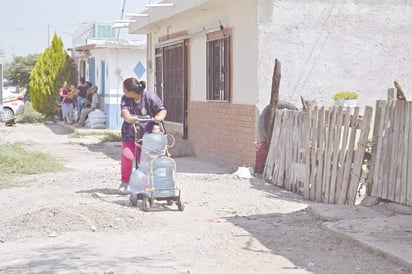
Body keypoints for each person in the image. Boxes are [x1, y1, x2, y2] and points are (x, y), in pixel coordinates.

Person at [118, 78, 167, 194]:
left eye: (125, 90)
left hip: (147, 136)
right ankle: (125, 181)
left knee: (144, 161)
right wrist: (129, 118)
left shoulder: (150, 97)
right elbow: (124, 111)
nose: (123, 92)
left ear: (132, 91)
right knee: (128, 156)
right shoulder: (125, 99)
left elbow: (162, 110)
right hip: (130, 133)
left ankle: (145, 184)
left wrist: (159, 118)